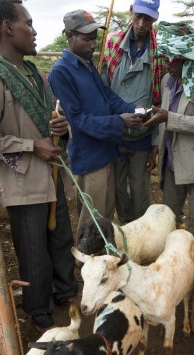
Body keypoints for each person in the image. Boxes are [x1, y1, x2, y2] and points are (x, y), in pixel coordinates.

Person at [0, 0, 80, 333]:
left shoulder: (32, 72)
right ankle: (38, 309)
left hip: (50, 172)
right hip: (22, 181)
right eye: (28, 24)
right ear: (7, 28)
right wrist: (31, 146)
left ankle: (65, 291)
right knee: (33, 248)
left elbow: (48, 117)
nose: (34, 32)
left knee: (61, 237)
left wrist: (61, 127)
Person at [48, 9, 144, 230]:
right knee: (92, 226)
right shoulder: (61, 72)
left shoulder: (87, 64)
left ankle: (104, 263)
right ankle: (85, 264)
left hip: (106, 152)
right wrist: (120, 122)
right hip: (90, 159)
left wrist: (137, 110)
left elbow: (108, 97)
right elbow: (78, 121)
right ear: (70, 36)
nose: (93, 45)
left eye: (94, 39)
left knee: (106, 220)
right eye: (87, 39)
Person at [101, 0, 167, 224]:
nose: (140, 23)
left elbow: (162, 100)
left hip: (143, 136)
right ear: (131, 11)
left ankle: (142, 234)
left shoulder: (160, 51)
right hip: (117, 133)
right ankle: (126, 235)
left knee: (140, 192)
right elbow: (103, 89)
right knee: (119, 191)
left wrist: (156, 142)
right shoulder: (112, 44)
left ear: (154, 19)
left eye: (147, 19)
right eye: (138, 16)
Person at [144, 22, 194, 235]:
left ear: (187, 58)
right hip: (171, 161)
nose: (168, 65)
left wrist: (169, 118)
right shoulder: (167, 81)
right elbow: (163, 119)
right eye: (166, 59)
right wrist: (156, 146)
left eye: (173, 60)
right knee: (170, 217)